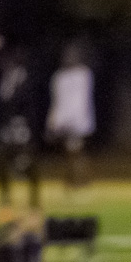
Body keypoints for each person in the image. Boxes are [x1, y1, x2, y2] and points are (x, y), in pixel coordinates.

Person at [0, 43, 40, 209]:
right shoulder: (5, 77)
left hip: (21, 126)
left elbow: (24, 102)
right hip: (8, 126)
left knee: (26, 161)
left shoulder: (21, 76)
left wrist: (30, 128)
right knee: (0, 158)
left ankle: (34, 198)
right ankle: (6, 195)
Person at [46, 42, 96, 192]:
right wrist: (53, 120)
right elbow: (57, 100)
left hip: (78, 121)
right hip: (63, 121)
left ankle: (80, 181)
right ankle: (72, 180)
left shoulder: (83, 74)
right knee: (69, 153)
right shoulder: (59, 77)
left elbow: (82, 100)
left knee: (76, 151)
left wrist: (77, 121)